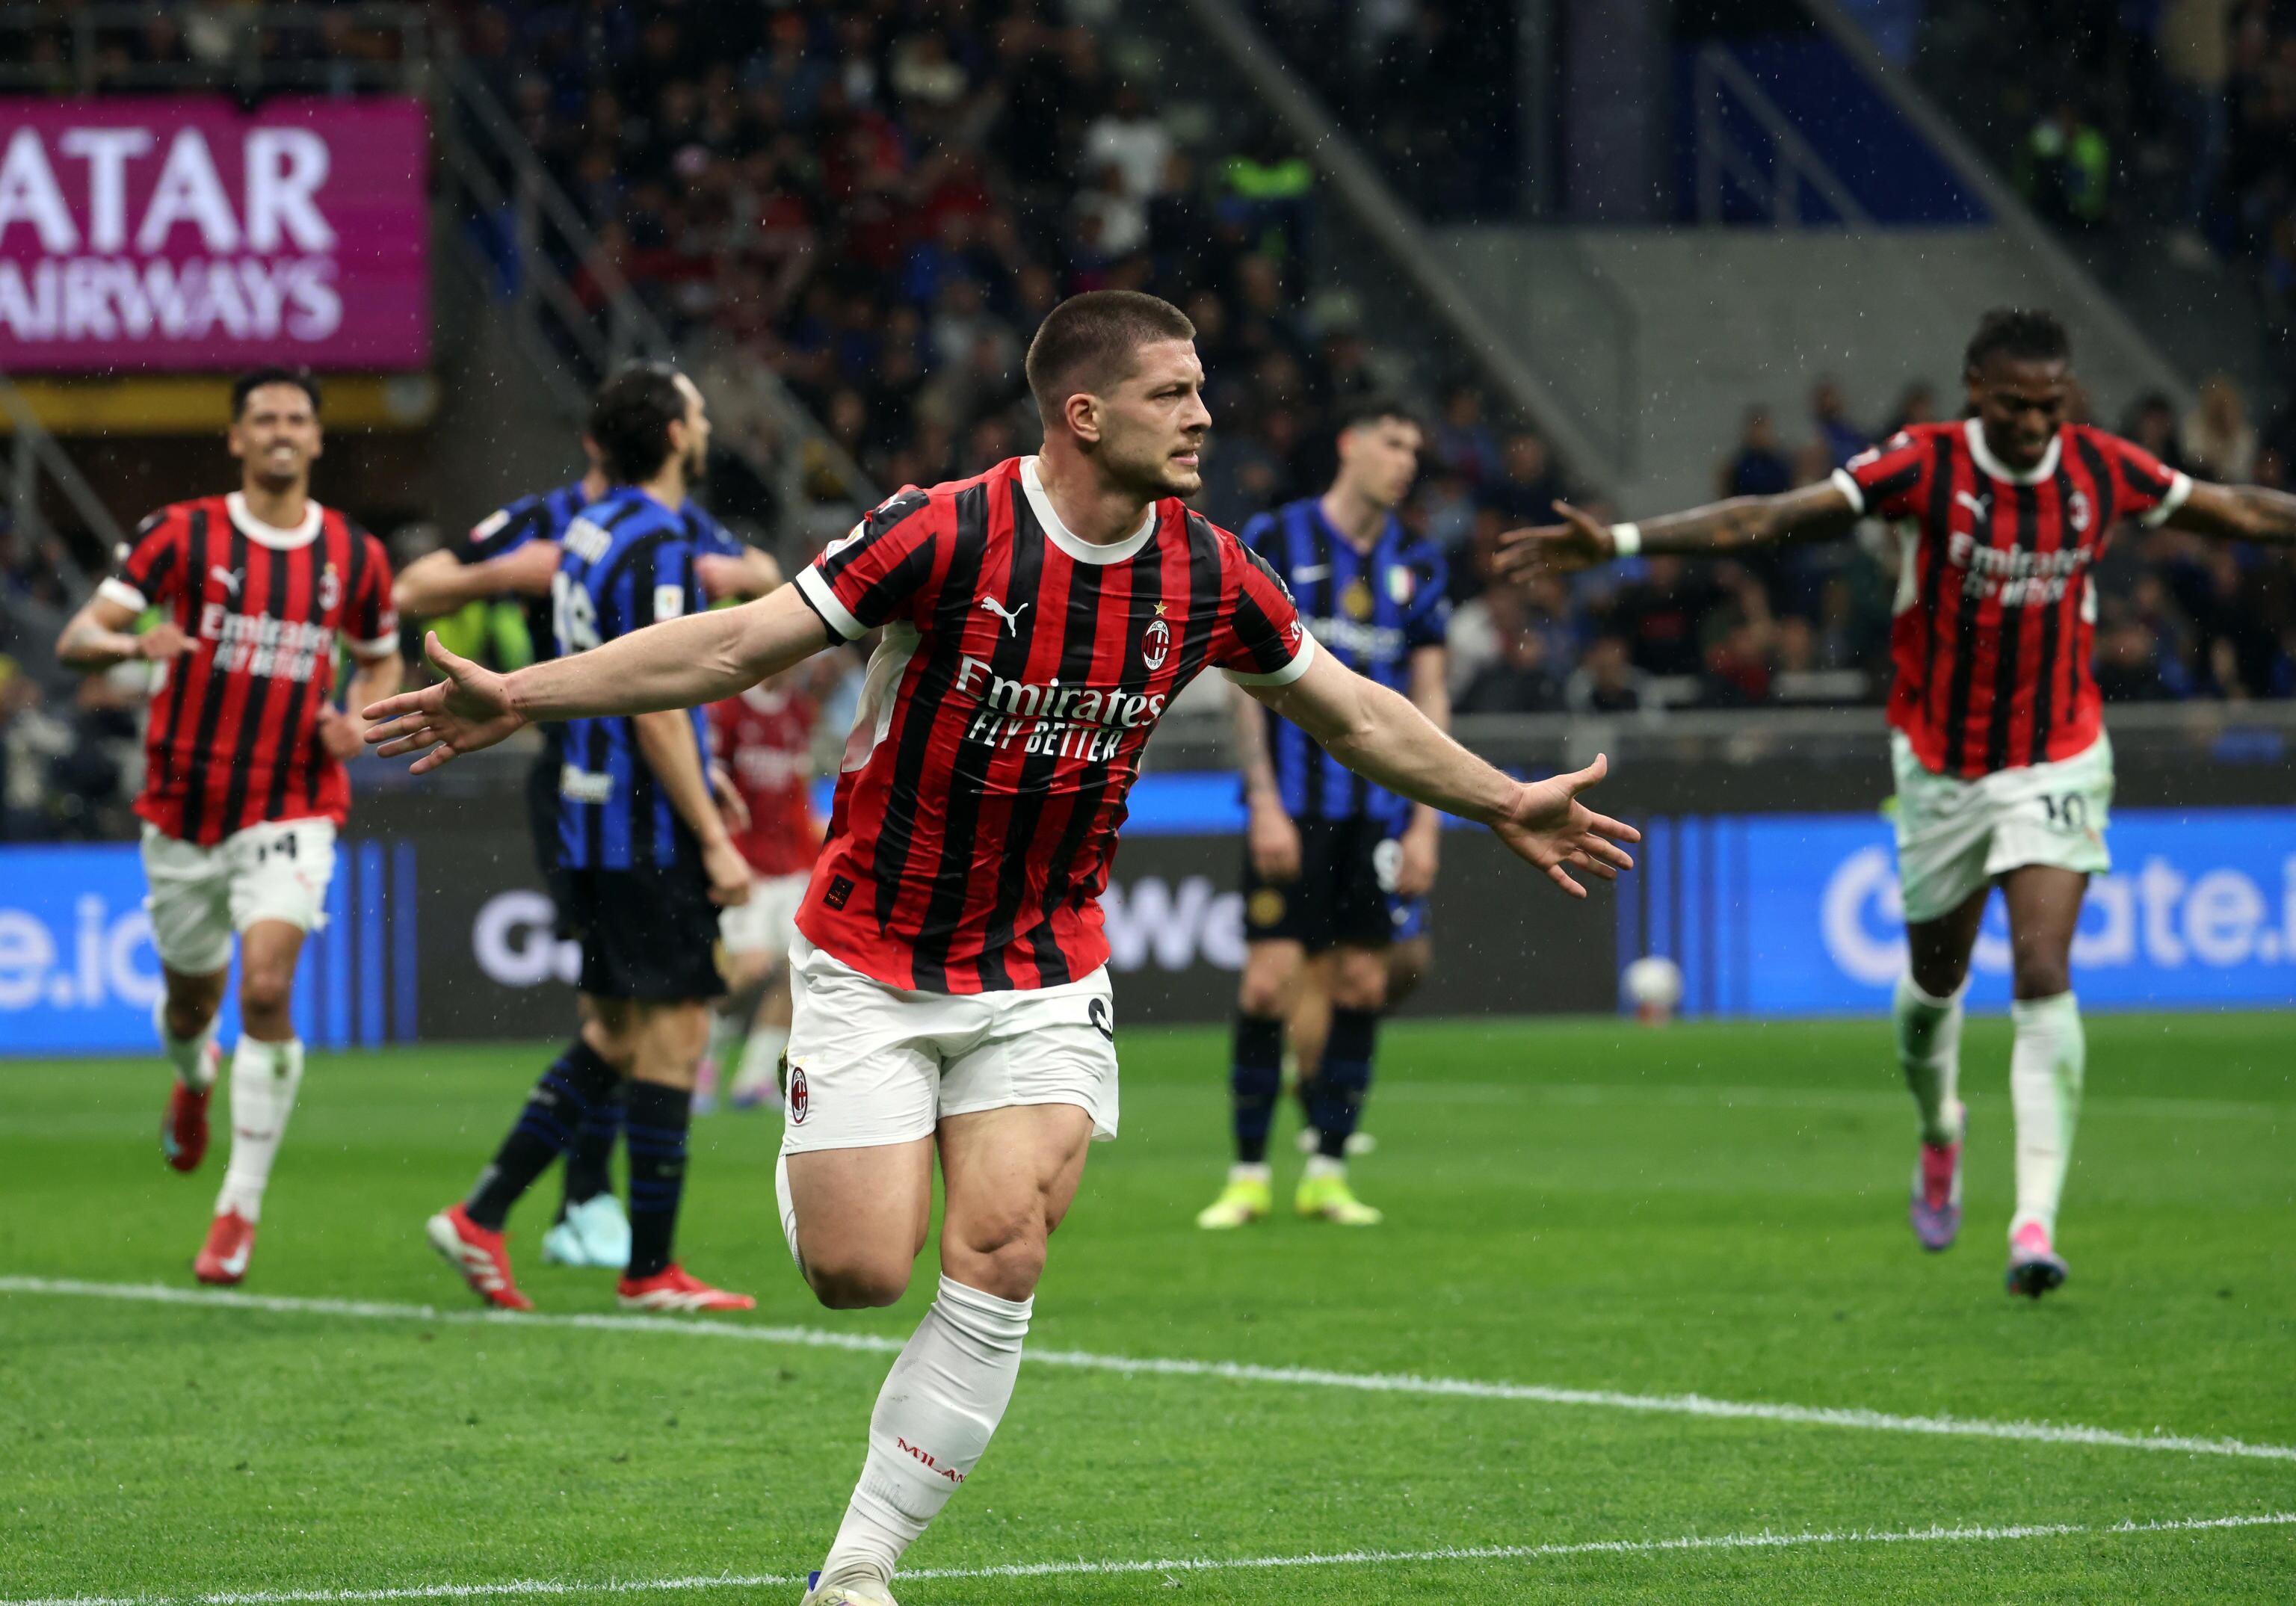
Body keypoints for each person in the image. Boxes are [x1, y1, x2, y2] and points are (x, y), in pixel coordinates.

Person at [364, 290, 1637, 1606]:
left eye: (1202, 388)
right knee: (860, 1271)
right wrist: (523, 693)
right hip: (870, 952)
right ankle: (824, 1131)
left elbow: (1354, 713)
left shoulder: (1210, 570)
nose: (1205, 415)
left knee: (1005, 1243)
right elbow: (738, 643)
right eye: (1172, 393)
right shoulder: (941, 529)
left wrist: (1500, 797)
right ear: (1083, 414)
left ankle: (859, 1564)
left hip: (1044, 966)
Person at [1497, 307, 2296, 1299]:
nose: (2034, 423)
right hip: (1940, 770)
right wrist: (1621, 538)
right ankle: (1939, 1127)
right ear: (1976, 390)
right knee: (1933, 988)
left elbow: (2242, 511)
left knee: (2044, 966)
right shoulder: (1925, 465)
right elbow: (1766, 519)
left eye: (2050, 405)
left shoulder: (2102, 468)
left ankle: (2035, 1223)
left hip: (2056, 755)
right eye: (2015, 405)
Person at [421, 362, 768, 1315]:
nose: (706, 426)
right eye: (698, 412)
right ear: (673, 434)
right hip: (642, 824)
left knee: (615, 1031)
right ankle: (650, 1269)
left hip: (586, 812)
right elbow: (657, 698)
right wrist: (711, 833)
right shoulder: (660, 539)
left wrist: (704, 772)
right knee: (676, 1032)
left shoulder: (588, 529)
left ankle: (483, 1215)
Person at [55, 368, 402, 1285]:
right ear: (237, 438)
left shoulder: (355, 555)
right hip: (184, 810)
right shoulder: (180, 533)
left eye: (297, 418)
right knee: (190, 1009)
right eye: (264, 418)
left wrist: (358, 717)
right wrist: (133, 643)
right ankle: (195, 1076)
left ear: (317, 438)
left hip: (292, 801)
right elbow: (77, 638)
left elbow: (380, 660)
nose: (282, 430)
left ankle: (237, 1211)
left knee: (267, 990)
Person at [1198, 396, 1448, 1230]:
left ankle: (1328, 1170)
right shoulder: (1277, 536)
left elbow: (1431, 695)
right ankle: (1245, 1174)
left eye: (1414, 447)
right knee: (1268, 981)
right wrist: (1263, 799)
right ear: (1350, 443)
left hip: (1380, 812)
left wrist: (1426, 819)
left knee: (1363, 980)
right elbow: (1242, 680)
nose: (1406, 460)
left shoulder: (1419, 560)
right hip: (1294, 805)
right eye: (1393, 441)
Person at [697, 658, 839, 1113]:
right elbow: (709, 792)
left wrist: (814, 850)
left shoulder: (798, 710)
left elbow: (796, 790)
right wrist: (719, 855)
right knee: (748, 966)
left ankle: (754, 1078)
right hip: (744, 865)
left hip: (789, 865)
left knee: (796, 972)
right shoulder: (727, 709)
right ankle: (697, 1058)